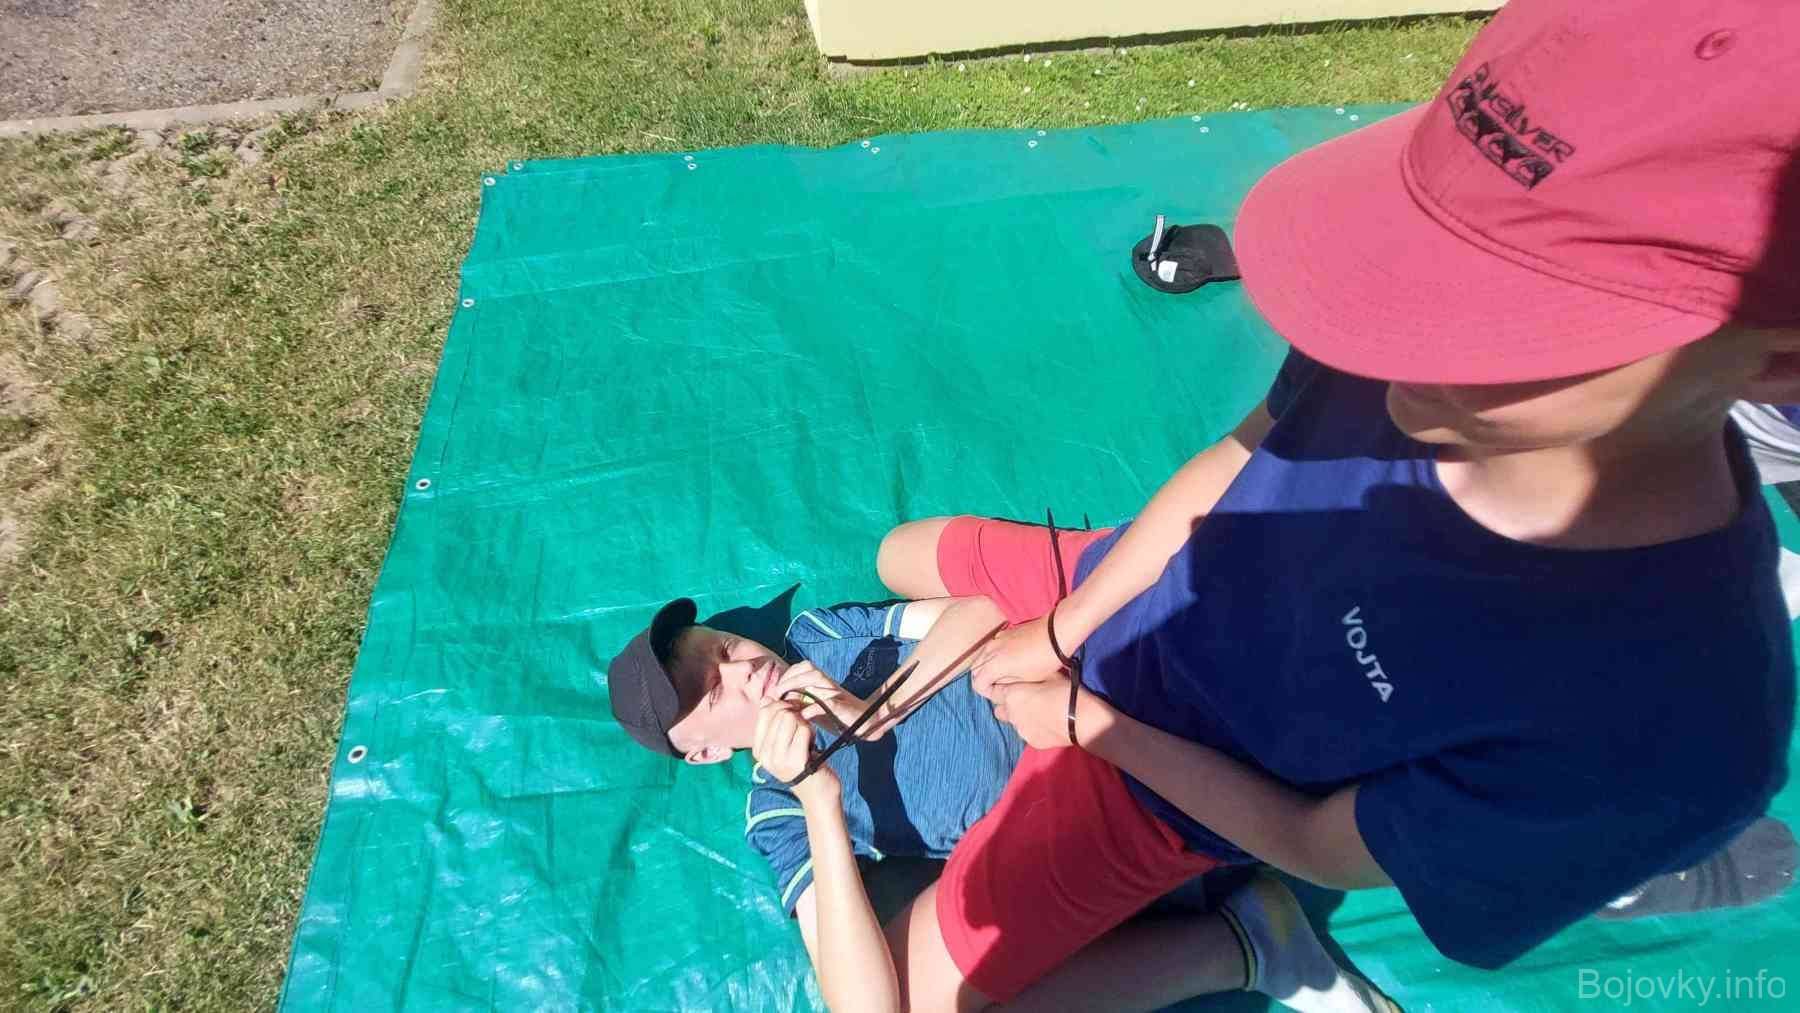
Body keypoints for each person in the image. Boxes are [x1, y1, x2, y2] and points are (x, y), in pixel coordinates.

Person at [862, 2, 1800, 1008]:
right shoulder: (1397, 329)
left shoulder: (1668, 727)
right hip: (1141, 584)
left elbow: (1315, 840)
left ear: (1779, 361)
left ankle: (1248, 940)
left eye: (1513, 304)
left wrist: (1089, 722)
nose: (1391, 325)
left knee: (923, 999)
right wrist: (1065, 622)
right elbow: (1238, 459)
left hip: (1167, 778)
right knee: (896, 555)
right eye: (1420, 239)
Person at [607, 596, 1400, 1013]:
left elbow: (980, 610)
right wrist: (819, 792)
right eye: (713, 691)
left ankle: (1248, 935)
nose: (742, 668)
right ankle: (1243, 943)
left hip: (1090, 705)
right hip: (1061, 822)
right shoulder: (777, 806)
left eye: (723, 648)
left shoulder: (823, 636)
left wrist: (874, 707)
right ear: (705, 753)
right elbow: (868, 1003)